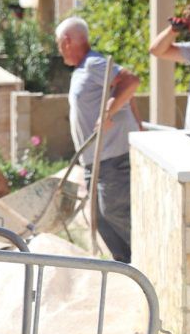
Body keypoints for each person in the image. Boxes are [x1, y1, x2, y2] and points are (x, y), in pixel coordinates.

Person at [56, 17, 140, 263]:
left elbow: (130, 82)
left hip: (113, 157)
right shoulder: (82, 69)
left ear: (66, 41)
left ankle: (146, 259)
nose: (59, 50)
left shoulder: (93, 63)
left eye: (59, 44)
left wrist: (108, 111)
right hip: (95, 160)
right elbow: (127, 93)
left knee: (114, 212)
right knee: (99, 219)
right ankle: (126, 265)